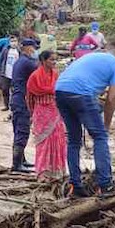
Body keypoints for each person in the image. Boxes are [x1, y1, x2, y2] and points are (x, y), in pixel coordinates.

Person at [54, 49, 115, 197]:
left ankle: (75, 185)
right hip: (81, 93)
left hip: (60, 90)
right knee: (100, 137)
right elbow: (111, 99)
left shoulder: (91, 58)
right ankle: (105, 185)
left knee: (73, 140)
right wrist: (106, 125)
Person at [26, 48, 67, 179]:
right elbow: (30, 97)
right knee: (43, 142)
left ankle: (56, 170)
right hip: (41, 112)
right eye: (52, 60)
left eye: (56, 60)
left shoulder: (55, 75)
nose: (54, 62)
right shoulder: (35, 77)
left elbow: (59, 92)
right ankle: (43, 172)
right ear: (44, 61)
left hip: (55, 112)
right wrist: (32, 113)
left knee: (58, 140)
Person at [9, 36, 40, 172]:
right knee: (22, 130)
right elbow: (40, 72)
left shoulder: (19, 61)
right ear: (28, 48)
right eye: (33, 48)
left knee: (18, 130)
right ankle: (17, 165)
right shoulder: (27, 62)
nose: (34, 50)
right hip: (22, 100)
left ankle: (22, 160)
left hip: (16, 98)